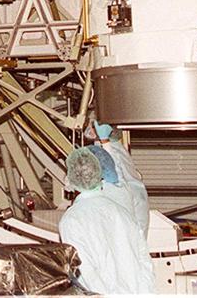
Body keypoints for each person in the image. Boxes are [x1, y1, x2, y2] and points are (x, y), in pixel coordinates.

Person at [58, 147, 155, 294]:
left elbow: (85, 271)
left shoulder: (71, 220)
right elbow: (145, 263)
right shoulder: (123, 213)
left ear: (71, 178)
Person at [89, 120, 150, 237]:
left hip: (128, 231)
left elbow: (114, 175)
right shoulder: (117, 149)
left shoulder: (111, 151)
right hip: (133, 230)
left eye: (91, 126)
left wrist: (105, 141)